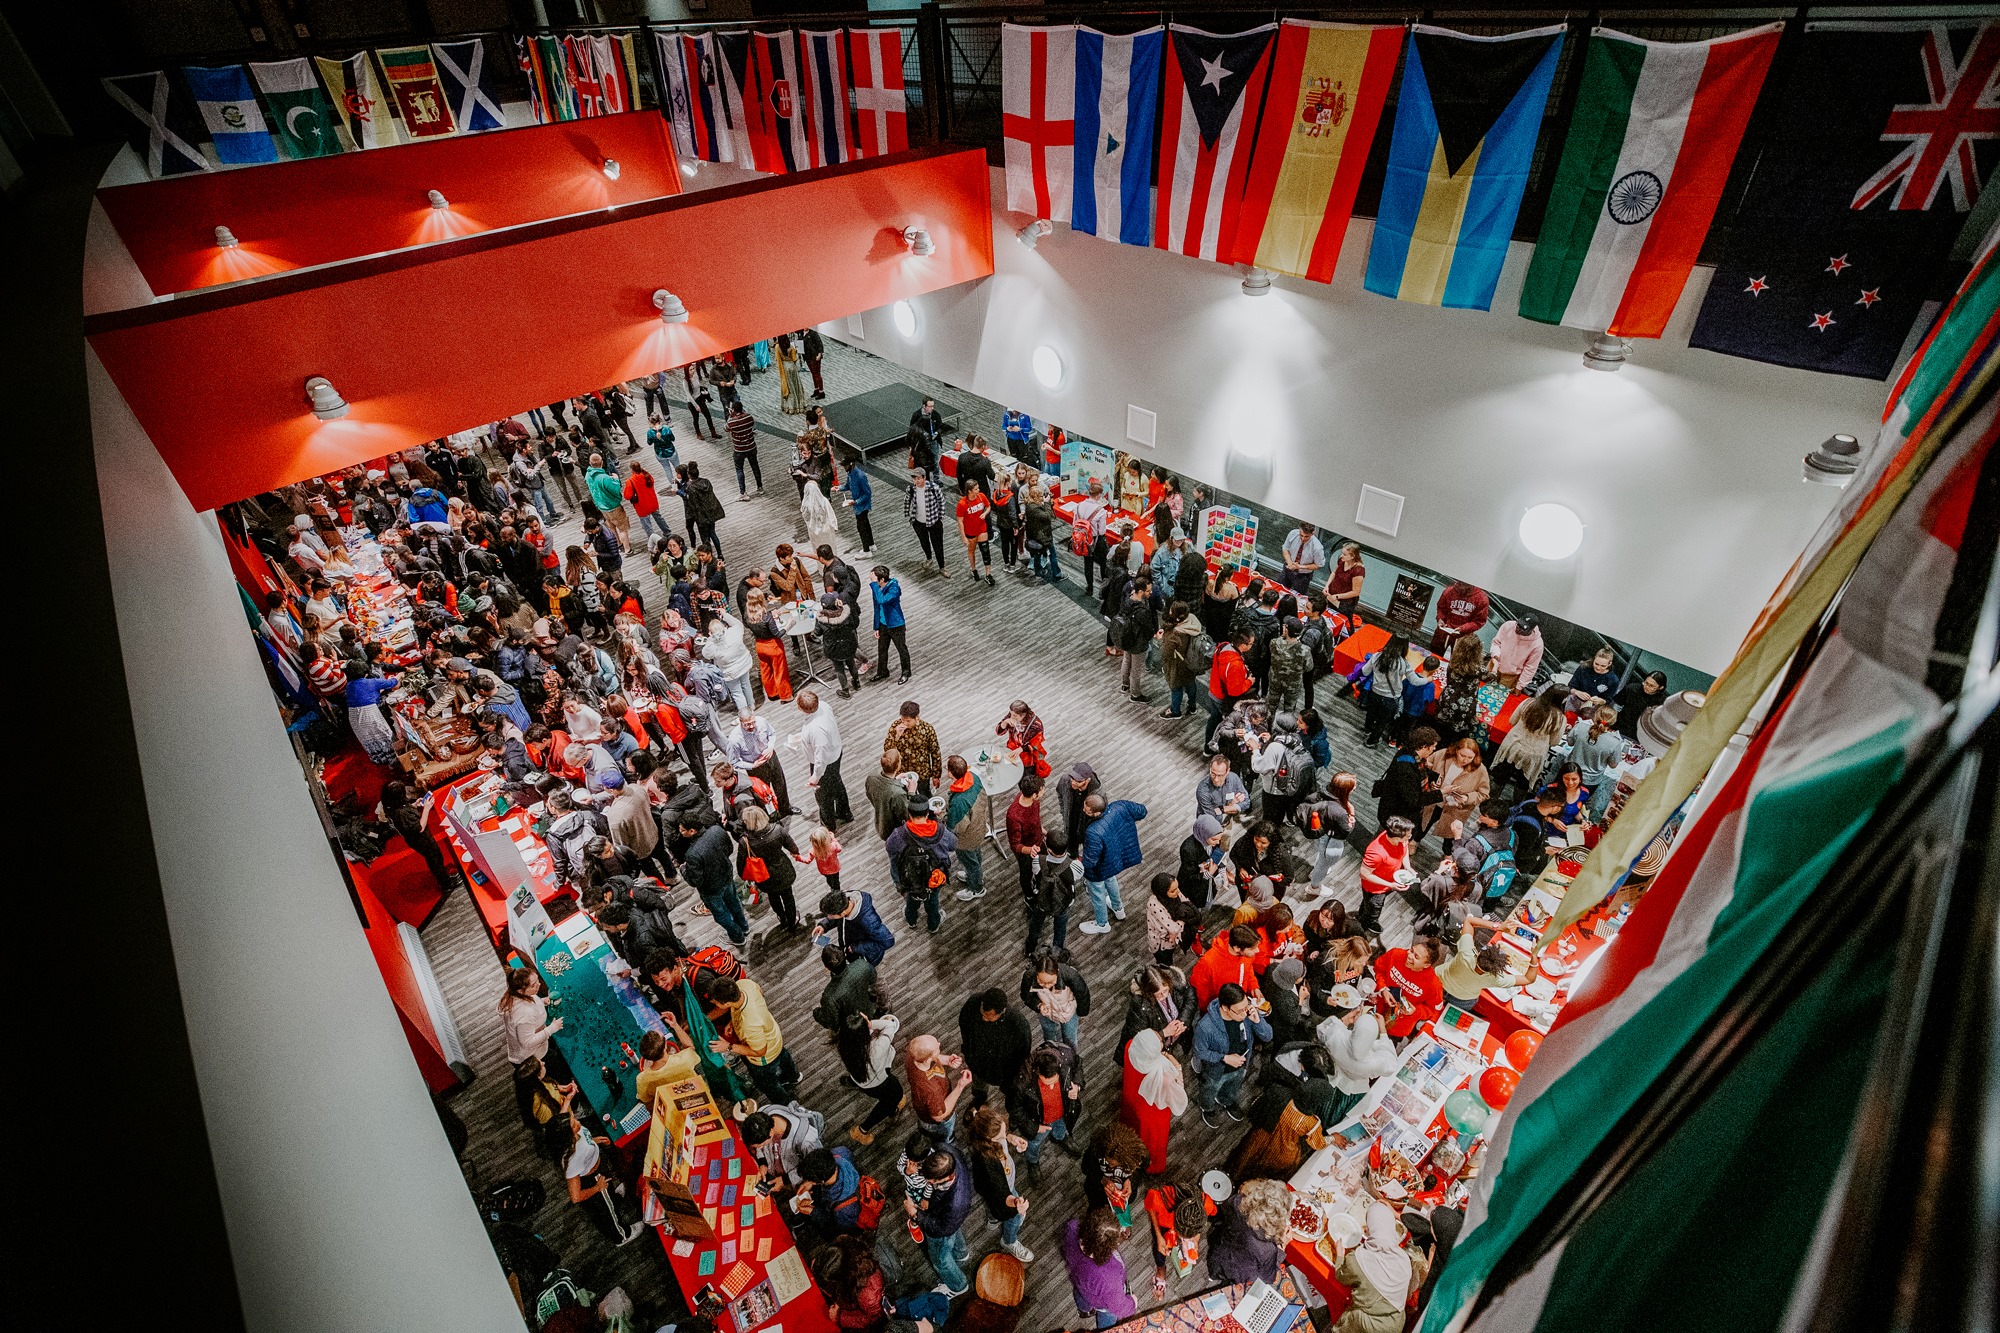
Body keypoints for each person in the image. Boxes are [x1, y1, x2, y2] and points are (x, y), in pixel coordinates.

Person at [706, 974, 799, 1103]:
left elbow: (760, 1052)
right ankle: (793, 1076)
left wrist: (728, 1046)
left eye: (716, 1003)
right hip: (774, 1035)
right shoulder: (744, 984)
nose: (715, 1005)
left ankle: (784, 1104)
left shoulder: (749, 1024)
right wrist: (733, 1022)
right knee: (784, 1057)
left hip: (764, 1059)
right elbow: (759, 991)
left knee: (768, 1084)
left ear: (727, 1003)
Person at [559, 1112, 646, 1245]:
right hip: (594, 1181)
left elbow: (584, 1141)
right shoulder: (572, 1158)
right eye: (573, 1123)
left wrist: (594, 1141)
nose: (577, 1122)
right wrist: (597, 1188)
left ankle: (614, 1199)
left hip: (598, 1170)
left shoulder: (574, 1135)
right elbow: (575, 1197)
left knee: (610, 1196)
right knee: (608, 1213)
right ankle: (622, 1236)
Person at [1192, 982, 1271, 1126]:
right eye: (1239, 1011)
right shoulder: (1205, 1027)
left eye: (1246, 1007)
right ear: (1225, 1008)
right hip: (1215, 1071)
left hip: (1242, 1064)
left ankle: (1226, 1100)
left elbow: (1268, 1036)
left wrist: (1258, 1022)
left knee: (1233, 1086)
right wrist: (1224, 1058)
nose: (1244, 1013)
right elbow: (1200, 1051)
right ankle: (1207, 1108)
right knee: (1209, 1090)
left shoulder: (1247, 1014)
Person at [966, 1105, 1037, 1264]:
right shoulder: (988, 1163)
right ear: (989, 1140)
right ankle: (1009, 1241)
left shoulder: (989, 1131)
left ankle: (993, 1219)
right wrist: (1016, 1206)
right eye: (1000, 1137)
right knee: (1014, 1218)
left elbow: (1002, 1135)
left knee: (992, 1206)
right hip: (1002, 1190)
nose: (1004, 1137)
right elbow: (1001, 1193)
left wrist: (1011, 1138)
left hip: (996, 1187)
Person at [906, 1145, 975, 1297]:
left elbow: (942, 1228)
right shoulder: (948, 1156)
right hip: (951, 1219)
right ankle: (961, 1254)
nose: (926, 1181)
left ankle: (958, 1285)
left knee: (940, 1260)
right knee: (955, 1232)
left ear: (942, 1178)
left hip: (943, 1225)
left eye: (929, 1180)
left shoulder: (956, 1203)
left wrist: (915, 1214)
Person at [1331, 1204, 1412, 1333]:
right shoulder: (1404, 1258)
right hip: (1396, 1323)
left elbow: (1341, 1276)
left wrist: (1340, 1255)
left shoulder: (1357, 1259)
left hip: (1371, 1325)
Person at [1009, 1041, 1083, 1178]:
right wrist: (1034, 1127)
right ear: (1037, 1072)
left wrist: (1077, 1085)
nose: (1051, 1086)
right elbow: (1015, 1109)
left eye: (1055, 1081)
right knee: (1034, 1143)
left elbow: (1078, 1066)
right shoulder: (1022, 1080)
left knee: (1061, 1129)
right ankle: (1033, 1160)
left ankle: (1060, 1137)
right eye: (1046, 1082)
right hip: (1039, 1122)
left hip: (1062, 1114)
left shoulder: (1066, 1055)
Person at [1120, 1027, 1186, 1173]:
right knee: (1154, 1141)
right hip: (1153, 1113)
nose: (1161, 1038)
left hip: (1133, 1097)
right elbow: (1179, 1093)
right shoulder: (1164, 1074)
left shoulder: (1131, 1046)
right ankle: (1153, 1167)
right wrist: (1176, 1065)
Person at [887, 794, 956, 935]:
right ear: (927, 813)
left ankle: (911, 919)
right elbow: (954, 844)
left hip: (910, 878)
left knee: (912, 900)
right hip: (934, 878)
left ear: (909, 814)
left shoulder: (898, 834)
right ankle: (933, 925)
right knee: (932, 902)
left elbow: (890, 849)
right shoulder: (940, 832)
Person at [679, 815, 751, 945]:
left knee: (721, 914)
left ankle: (737, 937)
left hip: (711, 889)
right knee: (734, 902)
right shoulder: (717, 830)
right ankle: (744, 927)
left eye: (683, 830)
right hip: (727, 876)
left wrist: (683, 870)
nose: (680, 832)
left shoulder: (692, 854)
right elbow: (729, 849)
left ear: (692, 831)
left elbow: (695, 881)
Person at [1062, 1208, 1137, 1330]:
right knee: (1108, 1320)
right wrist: (1133, 1303)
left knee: (1081, 1295)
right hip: (1103, 1303)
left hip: (1080, 1282)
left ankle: (1084, 1311)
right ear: (1109, 1249)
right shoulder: (1109, 1278)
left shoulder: (1073, 1227)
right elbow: (1120, 1307)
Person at [1321, 1007, 1398, 1123]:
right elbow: (1391, 1063)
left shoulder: (1337, 1037)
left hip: (1329, 1081)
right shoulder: (1374, 1062)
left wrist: (1345, 1020)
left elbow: (1323, 1029)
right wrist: (1382, 1031)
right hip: (1350, 1093)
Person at [837, 1011, 904, 1145]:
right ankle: (862, 1130)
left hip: (861, 1078)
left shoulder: (843, 1044)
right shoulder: (876, 1048)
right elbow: (890, 1025)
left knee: (886, 1096)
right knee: (894, 1097)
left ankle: (850, 1082)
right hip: (878, 1083)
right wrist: (871, 1023)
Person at [957, 986, 1034, 1102]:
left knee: (1011, 1092)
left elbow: (1022, 1055)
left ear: (1002, 1011)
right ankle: (979, 1100)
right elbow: (964, 1025)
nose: (984, 1018)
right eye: (983, 1012)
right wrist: (969, 1051)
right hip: (977, 1063)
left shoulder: (1019, 1026)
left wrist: (1010, 1076)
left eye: (989, 1016)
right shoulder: (973, 1003)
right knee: (979, 1086)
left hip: (1003, 1071)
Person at [1206, 1179, 1288, 1284]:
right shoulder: (1267, 1248)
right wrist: (1282, 1248)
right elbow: (1266, 1279)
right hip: (1240, 1274)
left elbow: (1225, 1209)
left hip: (1219, 1251)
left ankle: (1213, 1275)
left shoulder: (1237, 1202)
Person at [498, 966, 568, 1079]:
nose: (539, 985)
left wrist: (543, 1001)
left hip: (537, 1048)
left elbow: (532, 1001)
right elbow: (527, 1042)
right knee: (557, 1075)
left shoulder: (519, 995)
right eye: (533, 985)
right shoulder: (524, 1014)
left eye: (537, 981)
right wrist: (552, 1028)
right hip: (531, 1058)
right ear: (520, 990)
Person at [1423, 734, 1491, 850]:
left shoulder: (1480, 769)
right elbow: (1425, 765)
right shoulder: (1443, 755)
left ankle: (1447, 853)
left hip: (1455, 809)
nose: (1465, 760)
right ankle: (1415, 841)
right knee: (1424, 823)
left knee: (1450, 835)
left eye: (1470, 758)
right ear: (1456, 750)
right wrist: (1429, 781)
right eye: (1462, 755)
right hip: (1434, 799)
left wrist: (1467, 798)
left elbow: (1484, 794)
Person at [1374, 933, 1444, 1042]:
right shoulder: (1395, 954)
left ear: (1426, 965)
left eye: (1416, 957)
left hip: (1398, 1028)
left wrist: (1415, 1011)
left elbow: (1433, 1010)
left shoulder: (1433, 985)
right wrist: (1382, 988)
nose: (1410, 956)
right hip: (1376, 1009)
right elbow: (1379, 968)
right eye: (1411, 950)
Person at [797, 690, 853, 828]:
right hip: (835, 752)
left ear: (800, 708)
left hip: (825, 763)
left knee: (823, 796)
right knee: (836, 783)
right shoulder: (824, 706)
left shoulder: (815, 729)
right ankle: (844, 813)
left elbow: (820, 757)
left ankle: (829, 826)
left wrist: (815, 776)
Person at [904, 1033, 973, 1141]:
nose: (939, 1043)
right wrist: (960, 1086)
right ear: (927, 1059)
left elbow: (930, 1057)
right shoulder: (930, 1089)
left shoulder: (913, 1053)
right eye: (937, 1048)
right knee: (944, 1137)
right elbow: (939, 1117)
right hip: (937, 1121)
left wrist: (947, 1060)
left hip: (924, 1107)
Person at [741, 1101, 826, 1186]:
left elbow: (816, 1167)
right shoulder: (763, 1114)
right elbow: (759, 1146)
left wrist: (785, 1180)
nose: (759, 1148)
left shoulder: (806, 1140)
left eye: (761, 1145)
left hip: (796, 1181)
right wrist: (763, 1163)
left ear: (770, 1133)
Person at [1357, 816, 1417, 936]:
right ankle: (1362, 928)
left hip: (1389, 882)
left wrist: (1408, 867)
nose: (1409, 838)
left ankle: (1362, 914)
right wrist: (1391, 885)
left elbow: (1404, 849)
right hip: (1375, 889)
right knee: (1373, 909)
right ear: (1396, 837)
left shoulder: (1401, 839)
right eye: (1408, 836)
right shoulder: (1376, 853)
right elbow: (1364, 873)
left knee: (1367, 905)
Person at [1020, 950, 1091, 1047]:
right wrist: (1038, 1005)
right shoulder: (1029, 976)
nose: (1045, 986)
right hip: (1046, 1013)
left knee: (1070, 1040)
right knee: (1049, 1039)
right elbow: (1026, 996)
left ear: (1057, 973)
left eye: (1050, 982)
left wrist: (1082, 1013)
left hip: (1067, 1012)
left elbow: (1083, 995)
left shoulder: (1070, 976)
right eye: (1041, 981)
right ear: (1036, 974)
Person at [1027, 828, 1080, 955]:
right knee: (1060, 927)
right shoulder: (1076, 866)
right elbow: (1076, 879)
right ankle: (1057, 951)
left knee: (1036, 924)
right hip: (1063, 902)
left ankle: (1030, 947)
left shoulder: (1038, 861)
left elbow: (1035, 874)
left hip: (1042, 901)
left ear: (1049, 849)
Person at [812, 942, 884, 1032]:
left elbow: (832, 1023)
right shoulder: (862, 965)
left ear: (826, 968)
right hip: (872, 1011)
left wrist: (816, 1013)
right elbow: (873, 980)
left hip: (852, 1028)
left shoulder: (829, 996)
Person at [1374, 725, 1437, 828]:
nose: (1434, 749)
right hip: (1395, 818)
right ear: (1425, 746)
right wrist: (1441, 794)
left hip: (1395, 814)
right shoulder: (1407, 766)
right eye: (1433, 746)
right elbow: (1414, 799)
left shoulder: (1411, 755)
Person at [944, 756, 989, 902]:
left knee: (970, 862)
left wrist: (944, 817)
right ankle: (974, 875)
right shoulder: (974, 778)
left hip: (965, 839)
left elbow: (957, 827)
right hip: (978, 827)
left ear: (951, 773)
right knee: (975, 855)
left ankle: (976, 888)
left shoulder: (959, 802)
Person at [815, 887, 897, 965]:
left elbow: (888, 941)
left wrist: (856, 948)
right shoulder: (844, 900)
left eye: (830, 916)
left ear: (843, 913)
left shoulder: (869, 921)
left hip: (865, 956)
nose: (828, 917)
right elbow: (837, 917)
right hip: (850, 947)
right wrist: (824, 925)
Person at [1191, 924, 1263, 1009]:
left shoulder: (1247, 954)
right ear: (1237, 948)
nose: (1257, 950)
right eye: (1252, 949)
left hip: (1241, 1002)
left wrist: (1253, 987)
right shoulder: (1207, 964)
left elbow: (1248, 969)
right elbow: (1199, 995)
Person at [1204, 629, 1257, 746]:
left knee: (1213, 720)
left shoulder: (1224, 646)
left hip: (1214, 690)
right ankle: (1214, 745)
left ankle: (1207, 746)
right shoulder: (1235, 665)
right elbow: (1234, 691)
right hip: (1221, 697)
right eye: (1251, 644)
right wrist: (1249, 681)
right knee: (1221, 724)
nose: (1252, 646)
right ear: (1243, 645)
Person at [1145, 872, 1200, 966]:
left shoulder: (1174, 894)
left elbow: (1187, 904)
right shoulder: (1153, 904)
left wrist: (1176, 929)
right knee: (1165, 963)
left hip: (1172, 939)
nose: (1178, 892)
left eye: (1177, 888)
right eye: (1173, 890)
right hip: (1161, 944)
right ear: (1162, 892)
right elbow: (1173, 928)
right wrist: (1183, 919)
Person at [870, 566, 912, 683]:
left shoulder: (894, 589)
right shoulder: (878, 588)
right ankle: (882, 671)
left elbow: (882, 600)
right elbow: (876, 607)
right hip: (883, 624)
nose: (872, 582)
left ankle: (906, 672)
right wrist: (876, 626)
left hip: (895, 624)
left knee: (901, 649)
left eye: (874, 579)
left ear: (882, 579)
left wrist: (874, 585)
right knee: (882, 650)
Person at [905, 469, 949, 574]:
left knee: (938, 545)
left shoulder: (934, 488)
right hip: (918, 522)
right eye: (914, 478)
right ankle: (929, 558)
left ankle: (942, 566)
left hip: (934, 522)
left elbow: (941, 502)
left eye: (919, 478)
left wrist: (940, 517)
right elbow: (907, 500)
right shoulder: (911, 488)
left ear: (924, 478)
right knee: (924, 542)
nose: (916, 481)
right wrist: (908, 514)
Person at [955, 480, 996, 586]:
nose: (978, 490)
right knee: (972, 551)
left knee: (985, 551)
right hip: (970, 531)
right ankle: (973, 569)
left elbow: (988, 506)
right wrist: (963, 536)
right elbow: (960, 521)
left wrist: (985, 513)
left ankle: (988, 574)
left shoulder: (981, 496)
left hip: (981, 528)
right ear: (969, 491)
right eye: (976, 489)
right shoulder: (962, 504)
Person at [726, 401, 764, 498]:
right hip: (751, 446)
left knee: (739, 469)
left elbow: (726, 428)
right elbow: (751, 425)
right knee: (755, 466)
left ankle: (743, 492)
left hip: (739, 449)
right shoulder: (749, 417)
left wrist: (730, 416)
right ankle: (760, 487)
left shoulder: (731, 421)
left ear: (733, 410)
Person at [1617, 669, 1669, 739]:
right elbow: (1617, 704)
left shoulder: (1662, 702)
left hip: (1640, 734)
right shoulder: (1632, 688)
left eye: (1651, 686)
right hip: (1620, 726)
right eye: (1646, 683)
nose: (1647, 687)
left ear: (1660, 687)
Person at [1325, 542, 1366, 622]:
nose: (1341, 556)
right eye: (1342, 553)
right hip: (1332, 595)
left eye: (1344, 554)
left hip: (1345, 602)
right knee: (1330, 617)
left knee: (1343, 621)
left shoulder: (1358, 570)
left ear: (1352, 556)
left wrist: (1337, 596)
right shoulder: (1341, 560)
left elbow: (1356, 592)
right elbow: (1334, 573)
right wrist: (1327, 586)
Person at [840, 459, 875, 553]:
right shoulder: (850, 474)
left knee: (862, 528)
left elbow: (867, 493)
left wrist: (856, 502)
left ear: (851, 464)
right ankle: (871, 545)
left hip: (862, 506)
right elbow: (847, 486)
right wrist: (838, 488)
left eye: (845, 465)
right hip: (857, 506)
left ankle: (866, 551)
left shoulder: (860, 476)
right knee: (866, 526)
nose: (844, 468)